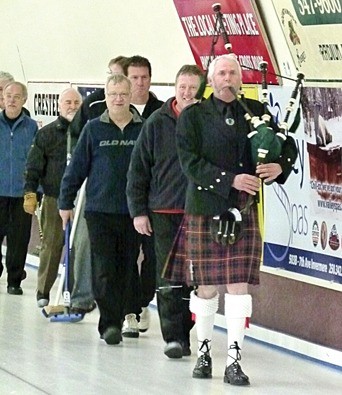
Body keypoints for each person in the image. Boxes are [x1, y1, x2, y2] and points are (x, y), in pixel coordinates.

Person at [163, 54, 298, 385]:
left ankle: (235, 360)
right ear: (212, 79)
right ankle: (205, 351)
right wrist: (230, 180)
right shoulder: (194, 115)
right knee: (207, 287)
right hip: (206, 207)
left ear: (241, 78)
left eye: (233, 73)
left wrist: (280, 166)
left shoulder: (255, 111)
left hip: (244, 209)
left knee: (239, 288)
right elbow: (189, 163)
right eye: (221, 73)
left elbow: (286, 143)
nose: (227, 78)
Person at [59, 74, 144, 345]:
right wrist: (65, 202)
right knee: (104, 268)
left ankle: (122, 314)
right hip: (99, 211)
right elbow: (76, 169)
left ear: (131, 96)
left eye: (123, 93)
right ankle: (109, 324)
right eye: (112, 94)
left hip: (134, 212)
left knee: (127, 267)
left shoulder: (143, 129)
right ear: (105, 97)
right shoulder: (94, 129)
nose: (118, 99)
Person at [126, 64, 203, 358]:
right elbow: (138, 171)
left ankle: (188, 331)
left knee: (195, 277)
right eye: (181, 87)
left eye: (192, 87)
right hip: (164, 211)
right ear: (175, 88)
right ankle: (174, 337)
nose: (186, 93)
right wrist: (139, 211)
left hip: (200, 211)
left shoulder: (209, 121)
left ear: (200, 90)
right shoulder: (156, 122)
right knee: (168, 275)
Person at [67, 56, 128, 315]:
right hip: (95, 188)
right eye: (110, 80)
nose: (115, 94)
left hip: (126, 198)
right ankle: (82, 295)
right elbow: (75, 137)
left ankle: (124, 307)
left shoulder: (140, 116)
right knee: (83, 241)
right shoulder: (92, 106)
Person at [23, 88, 82, 307]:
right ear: (59, 105)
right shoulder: (46, 134)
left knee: (79, 248)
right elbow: (33, 166)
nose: (72, 106)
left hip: (82, 200)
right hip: (53, 198)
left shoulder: (87, 131)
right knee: (52, 245)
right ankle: (43, 291)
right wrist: (30, 192)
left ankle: (75, 293)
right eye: (68, 102)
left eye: (76, 102)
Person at [122, 55, 164, 336]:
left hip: (156, 198)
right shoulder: (115, 108)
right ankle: (128, 310)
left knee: (152, 258)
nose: (140, 82)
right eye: (134, 78)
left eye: (144, 77)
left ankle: (143, 302)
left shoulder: (162, 112)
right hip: (122, 199)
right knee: (125, 256)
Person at [0, 81, 37, 294]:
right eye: (8, 96)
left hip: (23, 193)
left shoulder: (31, 127)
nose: (12, 100)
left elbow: (38, 161)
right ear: (3, 99)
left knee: (19, 239)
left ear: (24, 99)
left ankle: (14, 280)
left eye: (17, 96)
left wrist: (34, 191)